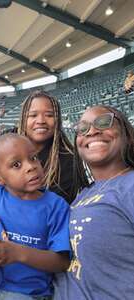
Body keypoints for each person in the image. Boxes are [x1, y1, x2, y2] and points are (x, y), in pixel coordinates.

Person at [0, 133, 71, 299]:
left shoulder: (57, 206)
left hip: (25, 292)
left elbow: (62, 262)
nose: (31, 166)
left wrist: (16, 253)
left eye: (33, 158)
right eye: (17, 164)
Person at [53, 105, 134, 299]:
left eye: (104, 122)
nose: (92, 131)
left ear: (128, 135)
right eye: (82, 128)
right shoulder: (84, 194)